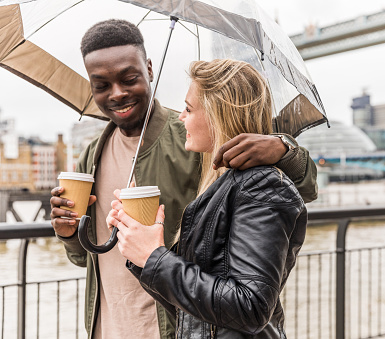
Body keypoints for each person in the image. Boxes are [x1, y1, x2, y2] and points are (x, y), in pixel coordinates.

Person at [49, 19, 317, 339]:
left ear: (149, 69)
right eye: (101, 85)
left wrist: (281, 148)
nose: (117, 93)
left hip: (178, 328)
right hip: (107, 327)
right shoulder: (90, 157)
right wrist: (68, 233)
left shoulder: (193, 139)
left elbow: (299, 187)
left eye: (129, 78)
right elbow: (85, 257)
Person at [107, 58, 307, 337]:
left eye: (189, 108)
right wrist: (140, 250)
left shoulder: (261, 187)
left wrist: (155, 258)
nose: (180, 116)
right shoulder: (222, 186)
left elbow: (252, 308)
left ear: (217, 114)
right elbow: (191, 309)